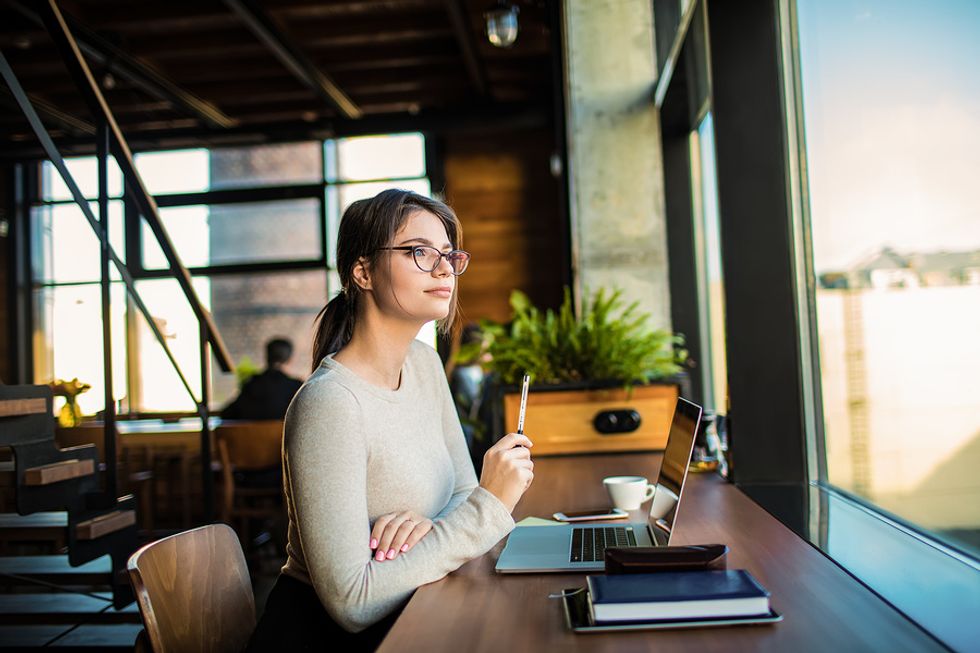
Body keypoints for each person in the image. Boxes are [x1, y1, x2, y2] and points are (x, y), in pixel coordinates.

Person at [246, 189, 534, 652]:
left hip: (413, 613)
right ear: (362, 271)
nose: (444, 269)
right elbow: (352, 601)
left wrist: (427, 523)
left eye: (448, 255)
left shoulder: (424, 364)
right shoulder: (329, 403)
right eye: (419, 252)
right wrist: (491, 507)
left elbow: (460, 490)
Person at [222, 338, 303, 420]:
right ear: (289, 359)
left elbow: (227, 414)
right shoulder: (296, 387)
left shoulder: (252, 383)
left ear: (266, 357)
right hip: (282, 433)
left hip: (250, 433)